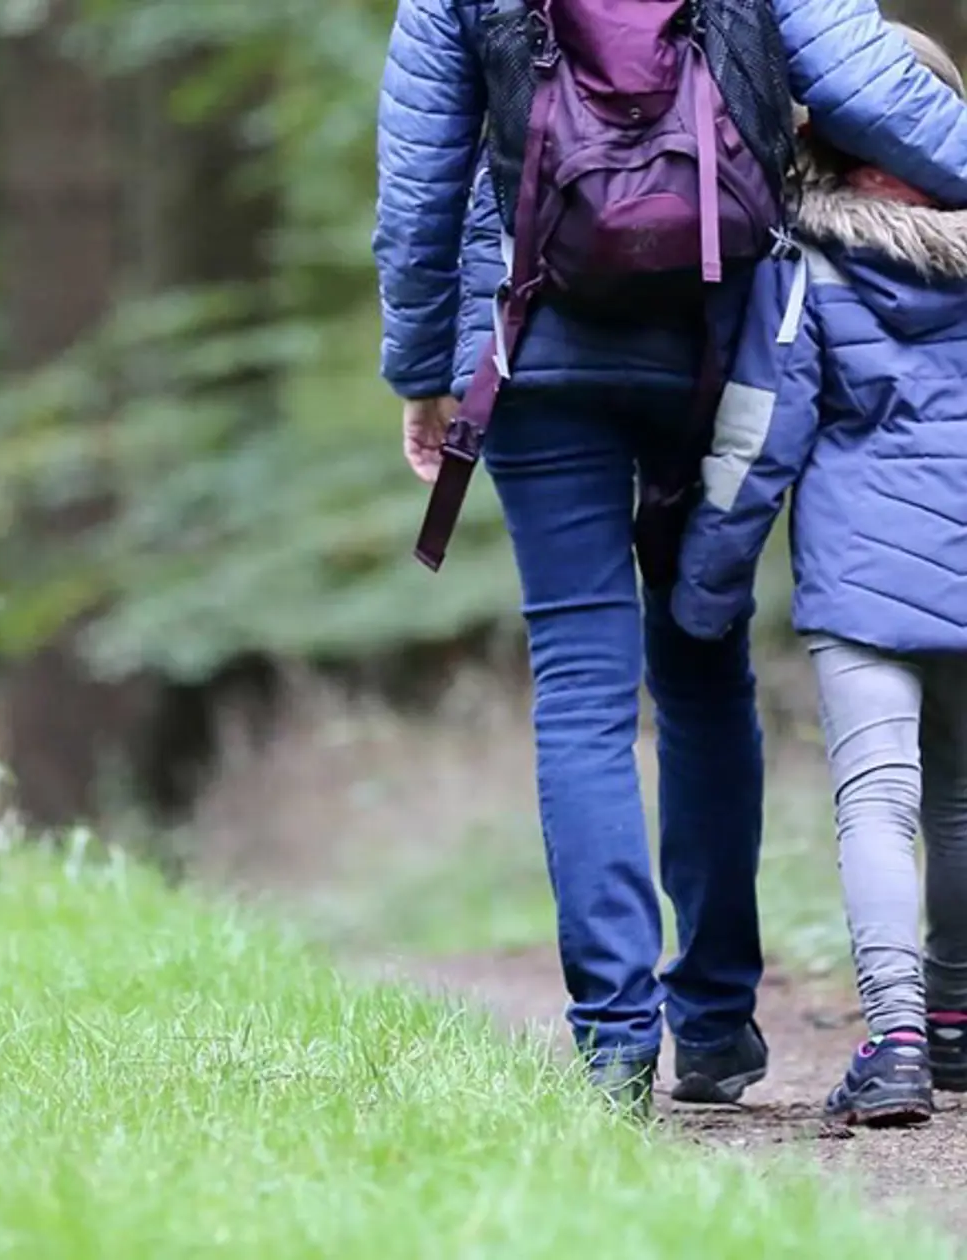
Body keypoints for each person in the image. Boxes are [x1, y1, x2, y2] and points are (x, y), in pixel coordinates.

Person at [375, 0, 967, 1115]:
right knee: (701, 666)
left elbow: (420, 178)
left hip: (534, 340)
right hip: (717, 340)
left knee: (582, 685)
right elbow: (873, 93)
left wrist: (422, 369)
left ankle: (611, 1041)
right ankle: (713, 1022)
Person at [673, 24, 967, 1128]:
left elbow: (758, 437)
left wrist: (707, 584)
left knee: (876, 803)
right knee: (959, 807)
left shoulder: (806, 265)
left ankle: (893, 1042)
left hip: (862, 582)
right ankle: (954, 1023)